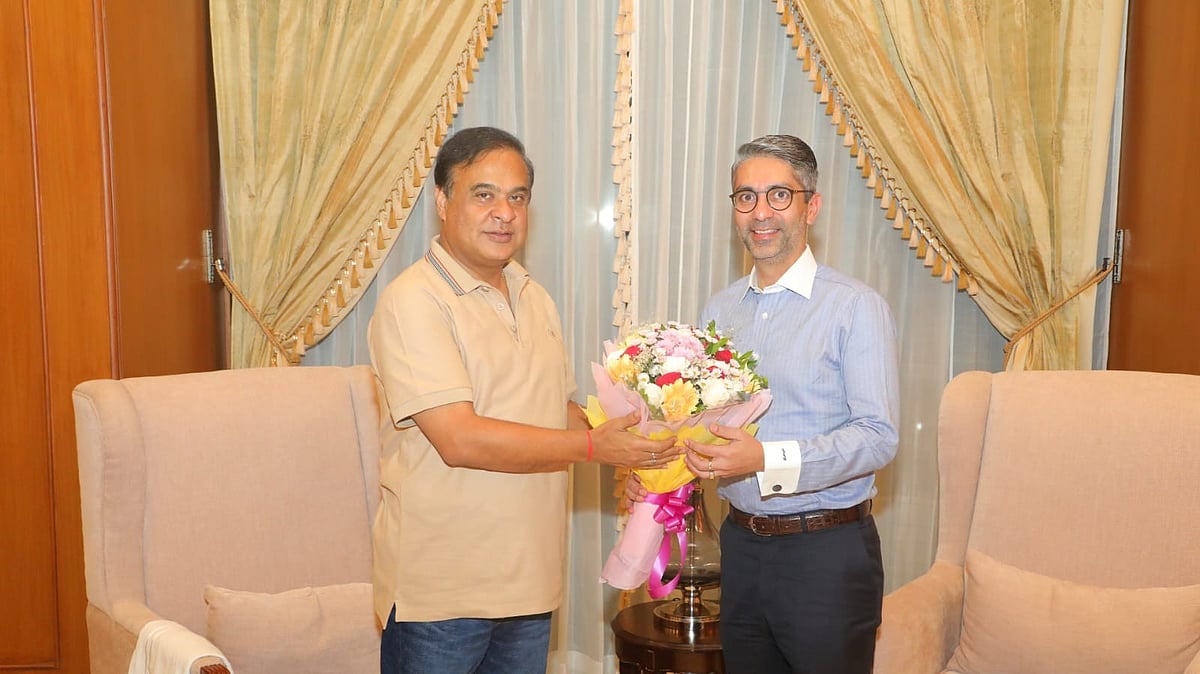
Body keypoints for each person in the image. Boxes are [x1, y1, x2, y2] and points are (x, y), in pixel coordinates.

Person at [367, 126, 677, 674]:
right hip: (443, 593)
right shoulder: (412, 302)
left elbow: (553, 410)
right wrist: (591, 447)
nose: (503, 213)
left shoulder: (534, 296)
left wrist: (633, 445)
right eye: (483, 194)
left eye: (518, 197)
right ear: (443, 200)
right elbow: (459, 439)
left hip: (531, 585)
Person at [682, 133, 900, 673]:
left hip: (825, 553)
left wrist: (765, 459)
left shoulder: (854, 308)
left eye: (779, 195)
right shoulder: (721, 308)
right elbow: (711, 418)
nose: (761, 212)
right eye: (746, 196)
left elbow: (878, 435)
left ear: (812, 206)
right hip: (741, 544)